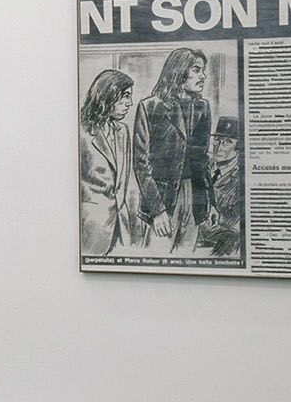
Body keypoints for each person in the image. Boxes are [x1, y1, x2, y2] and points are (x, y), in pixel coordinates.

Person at [131, 48, 213, 254]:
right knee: (156, 258)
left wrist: (209, 202)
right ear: (179, 71)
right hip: (163, 200)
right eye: (197, 70)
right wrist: (157, 211)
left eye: (203, 70)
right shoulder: (150, 107)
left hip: (194, 199)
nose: (203, 76)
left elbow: (203, 161)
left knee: (187, 259)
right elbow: (140, 164)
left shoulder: (203, 108)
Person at [79, 69, 143, 256]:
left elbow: (126, 184)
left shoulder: (123, 131)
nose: (130, 103)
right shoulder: (82, 131)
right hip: (91, 226)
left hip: (120, 227)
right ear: (108, 95)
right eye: (125, 96)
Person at [199, 114, 244, 258]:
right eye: (217, 140)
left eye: (227, 142)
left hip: (217, 245)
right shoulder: (204, 167)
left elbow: (233, 227)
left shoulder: (240, 180)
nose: (218, 146)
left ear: (238, 148)